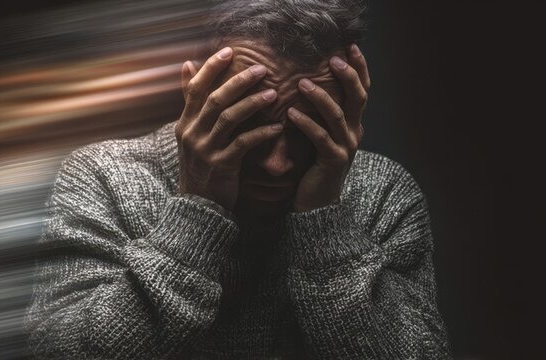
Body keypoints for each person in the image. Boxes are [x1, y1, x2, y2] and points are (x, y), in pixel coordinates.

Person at [24, 0, 451, 358]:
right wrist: (196, 208)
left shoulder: (383, 193)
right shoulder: (103, 177)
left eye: (307, 133)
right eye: (248, 126)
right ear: (195, 91)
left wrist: (325, 221)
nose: (278, 166)